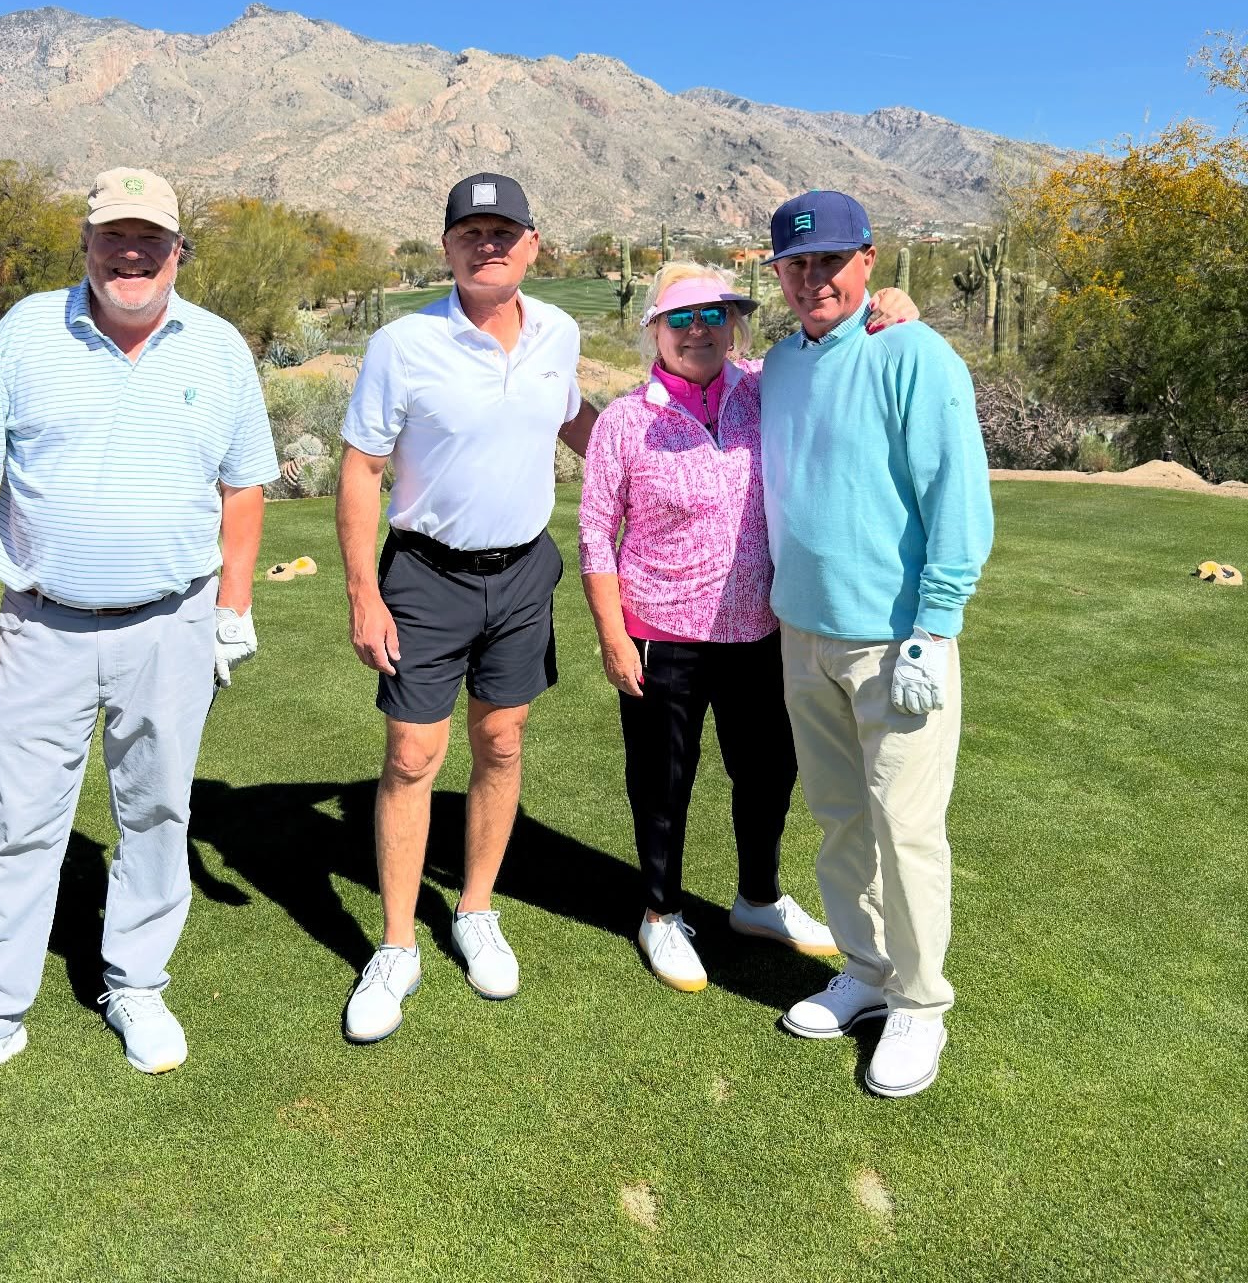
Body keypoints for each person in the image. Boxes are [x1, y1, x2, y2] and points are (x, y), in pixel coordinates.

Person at [0, 167, 280, 1121]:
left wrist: (233, 606)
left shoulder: (220, 348)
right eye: (114, 235)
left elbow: (244, 487)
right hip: (41, 622)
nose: (131, 253)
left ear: (177, 252)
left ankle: (135, 983)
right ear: (87, 243)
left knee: (156, 811)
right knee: (24, 821)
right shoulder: (27, 333)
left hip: (173, 621)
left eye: (150, 238)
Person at [578, 262, 915, 990]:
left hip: (761, 630)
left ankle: (757, 898)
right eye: (680, 319)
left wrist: (891, 306)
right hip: (658, 633)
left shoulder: (766, 387)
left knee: (768, 773)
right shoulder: (624, 422)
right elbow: (595, 534)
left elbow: (833, 345)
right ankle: (660, 915)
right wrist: (611, 635)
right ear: (654, 331)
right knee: (663, 782)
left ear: (733, 324)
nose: (698, 330)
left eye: (713, 316)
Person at [336, 172, 596, 1043]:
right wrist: (364, 593)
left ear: (533, 245)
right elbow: (361, 470)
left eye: (505, 232)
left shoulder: (558, 331)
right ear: (446, 247)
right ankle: (399, 944)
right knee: (413, 756)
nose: (489, 245)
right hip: (425, 575)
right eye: (471, 233)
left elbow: (576, 422)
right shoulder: (402, 344)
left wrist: (660, 450)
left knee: (502, 739)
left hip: (524, 572)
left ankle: (476, 909)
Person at [758, 189, 993, 1098]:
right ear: (778, 273)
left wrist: (936, 629)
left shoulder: (913, 354)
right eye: (797, 264)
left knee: (905, 827)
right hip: (802, 633)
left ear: (868, 263)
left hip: (895, 642)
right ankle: (863, 969)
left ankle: (920, 1002)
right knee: (841, 817)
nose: (813, 279)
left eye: (830, 262)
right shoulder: (778, 365)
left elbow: (957, 505)